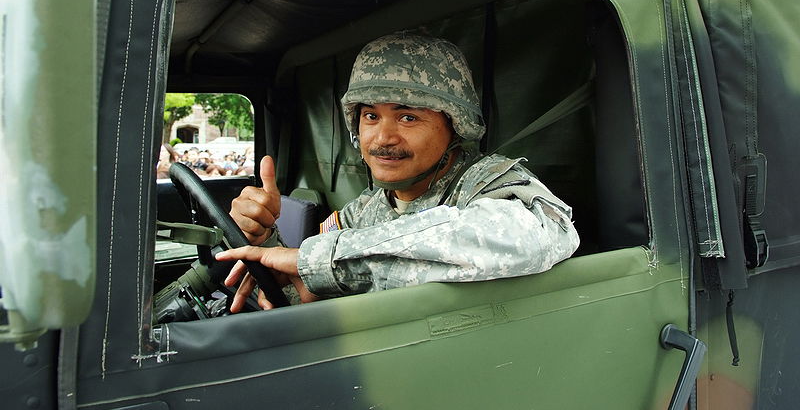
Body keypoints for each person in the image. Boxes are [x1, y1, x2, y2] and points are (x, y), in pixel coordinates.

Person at [216, 32, 580, 311]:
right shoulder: (365, 210)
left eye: (408, 116)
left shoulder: (486, 183)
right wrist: (265, 242)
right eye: (370, 116)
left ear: (456, 126)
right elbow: (306, 296)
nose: (382, 138)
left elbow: (539, 234)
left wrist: (323, 261)